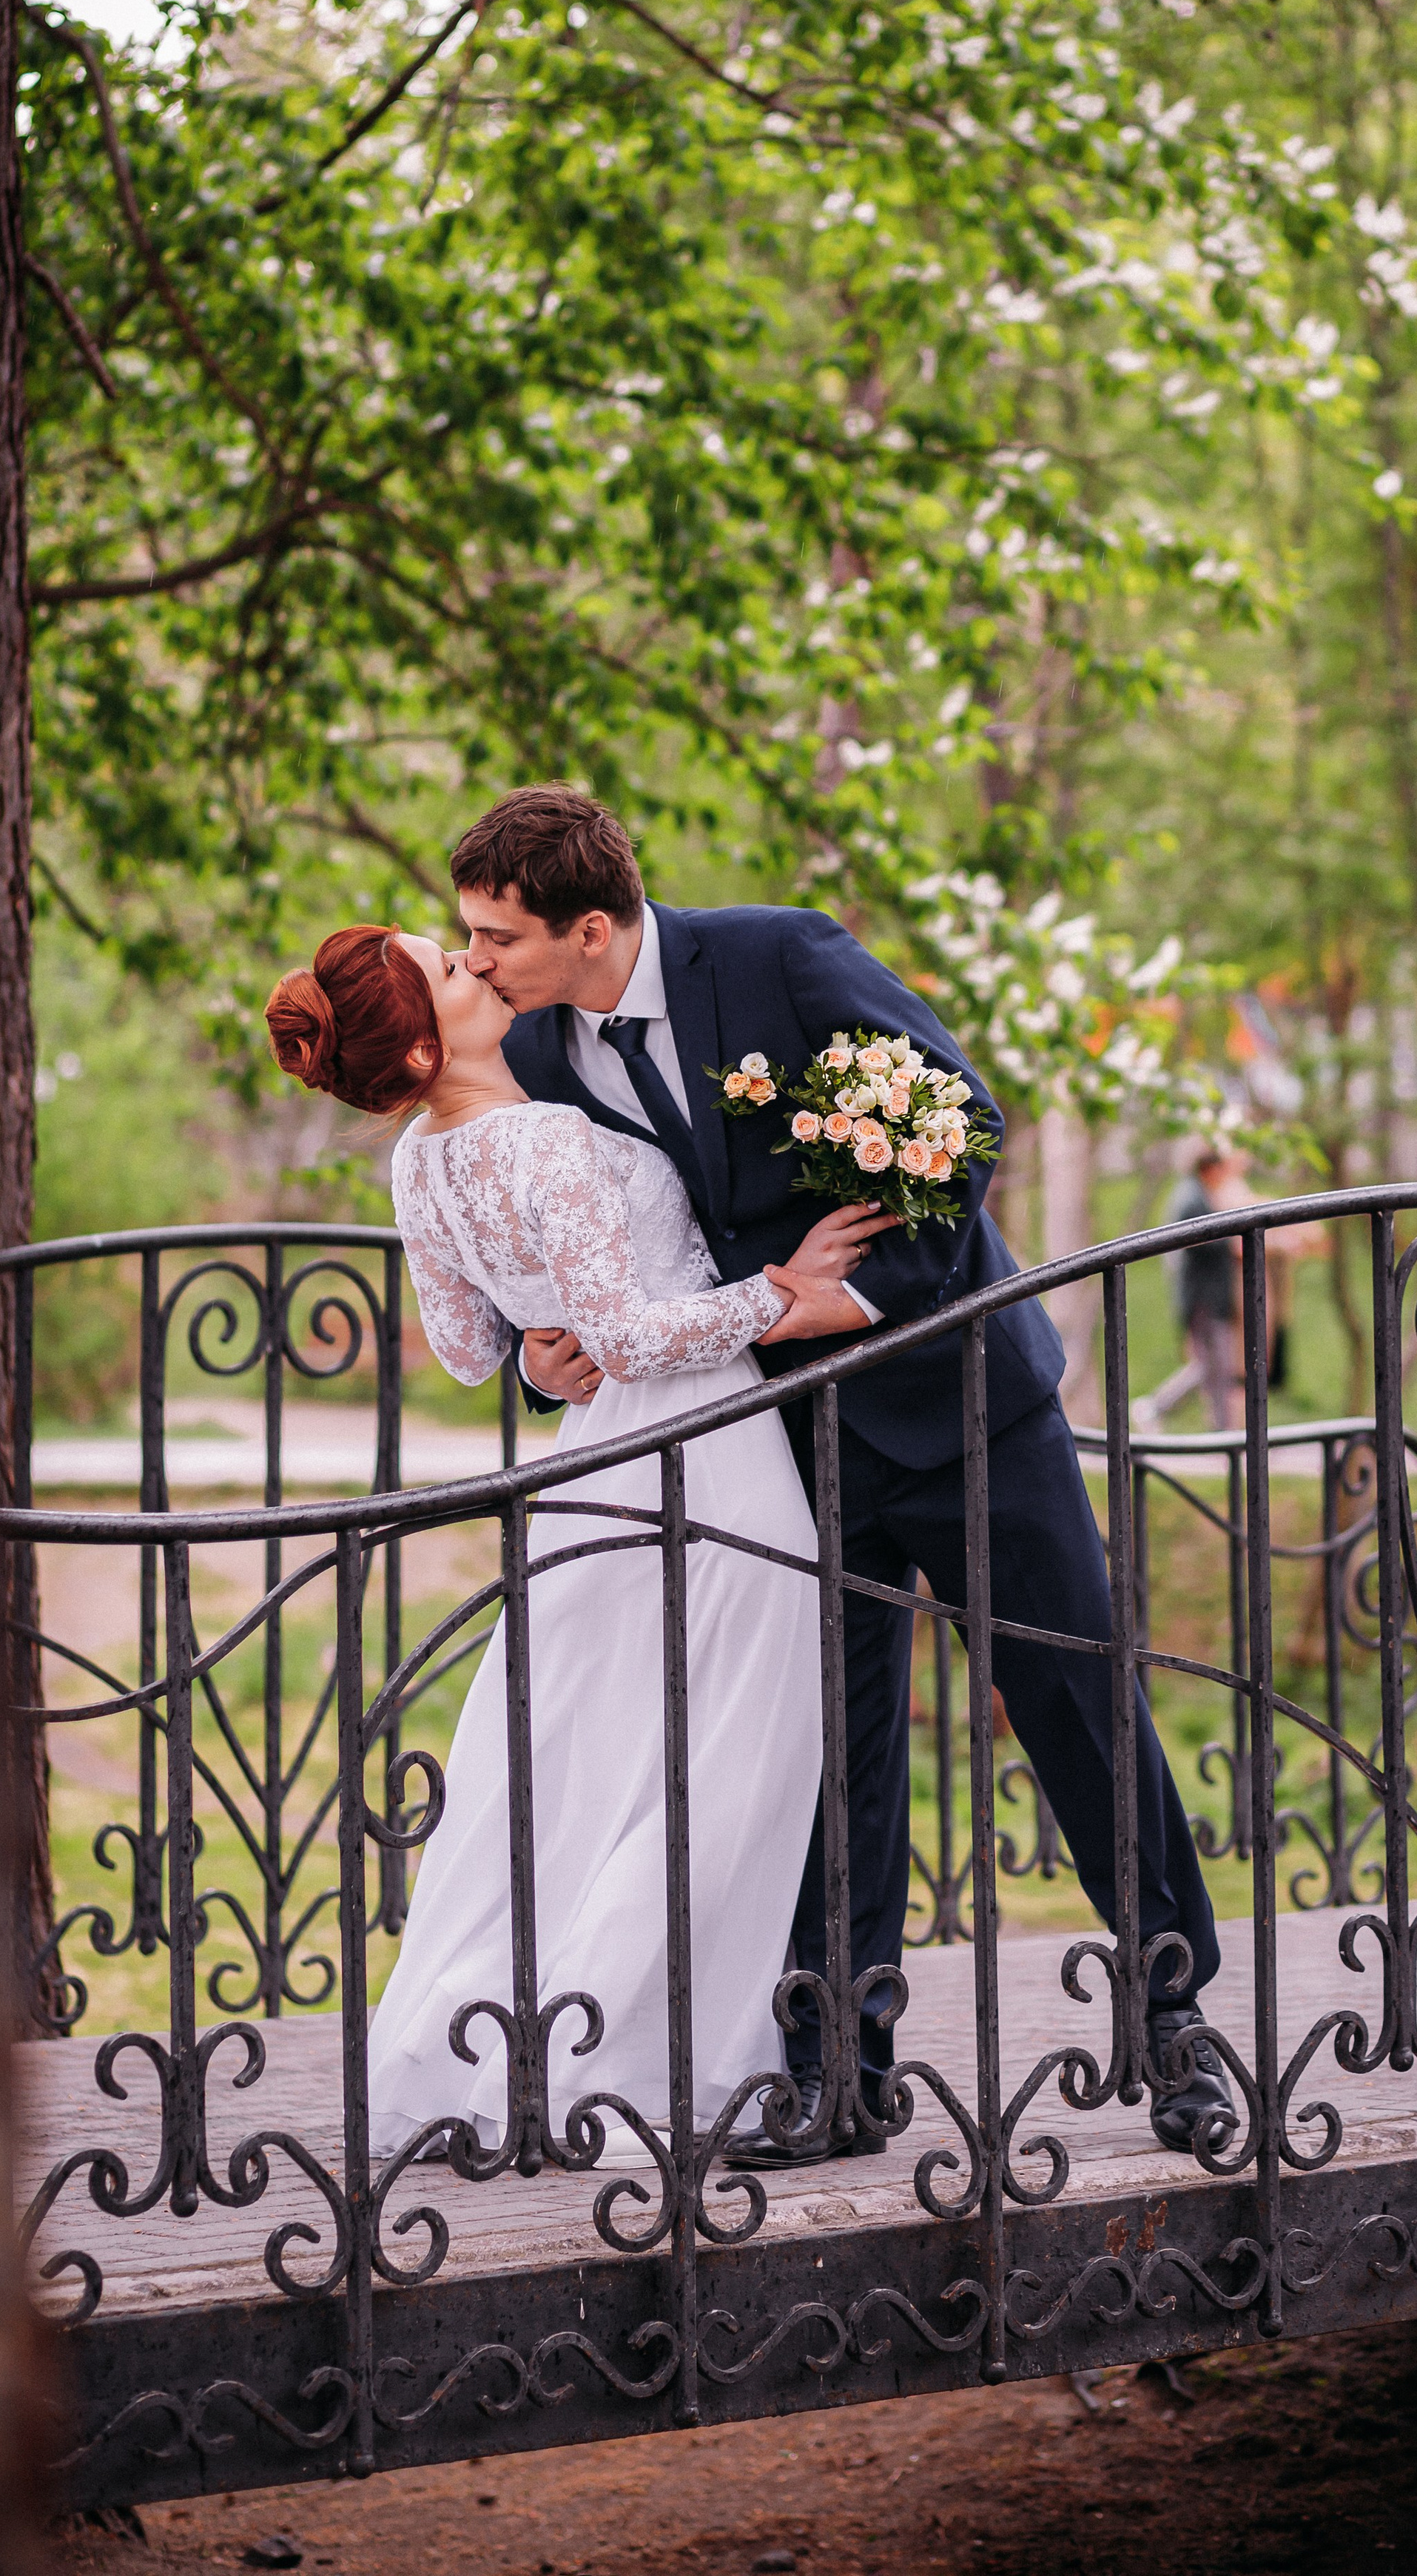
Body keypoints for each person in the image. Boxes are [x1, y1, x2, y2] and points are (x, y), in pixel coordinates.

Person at [450, 786, 1235, 2161]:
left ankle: (1176, 2024)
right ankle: (840, 2069)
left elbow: (961, 1125)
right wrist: (543, 1358)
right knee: (835, 1753)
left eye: (496, 937)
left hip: (964, 1403)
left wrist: (847, 1306)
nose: (475, 963)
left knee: (1074, 1700)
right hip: (777, 1443)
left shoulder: (778, 956)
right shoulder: (529, 1045)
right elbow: (539, 1240)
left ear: (589, 927)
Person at [264, 922, 891, 2165]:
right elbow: (645, 1335)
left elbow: (464, 1349)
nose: (476, 962)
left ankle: (520, 2036)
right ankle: (622, 2052)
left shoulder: (417, 1162)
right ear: (433, 1039)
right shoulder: (545, 1140)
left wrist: (540, 1349)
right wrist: (786, 1289)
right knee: (724, 1758)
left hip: (588, 1470)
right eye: (451, 968)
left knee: (585, 1758)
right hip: (700, 1455)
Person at [1134, 1147, 1245, 1434]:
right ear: (1209, 1169)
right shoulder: (1193, 1200)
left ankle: (1219, 1429)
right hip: (1205, 1298)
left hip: (1205, 1297)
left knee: (1213, 1366)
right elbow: (1210, 1245)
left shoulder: (1193, 1195)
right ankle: (1158, 1407)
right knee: (1214, 1365)